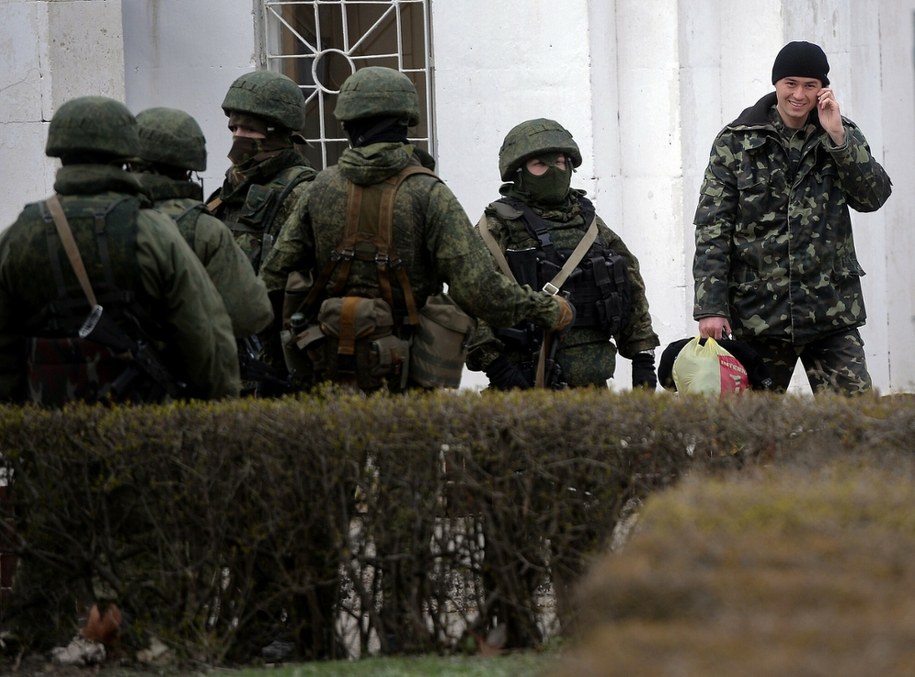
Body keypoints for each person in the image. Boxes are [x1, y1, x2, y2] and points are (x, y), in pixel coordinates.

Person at [258, 66, 573, 657]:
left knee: (323, 507)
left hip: (329, 374)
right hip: (408, 379)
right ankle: (403, 632)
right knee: (403, 509)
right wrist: (546, 309)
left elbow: (274, 277)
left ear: (346, 121)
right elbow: (479, 289)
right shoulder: (427, 192)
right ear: (406, 121)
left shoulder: (318, 189)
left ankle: (309, 635)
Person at [0, 95, 239, 405]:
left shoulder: (17, 236)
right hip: (141, 425)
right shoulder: (154, 232)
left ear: (60, 152)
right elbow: (205, 338)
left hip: (45, 428)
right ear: (127, 153)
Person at [692, 40, 893, 395]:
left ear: (823, 89)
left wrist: (838, 137)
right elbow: (713, 228)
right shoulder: (736, 142)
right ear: (776, 85)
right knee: (747, 434)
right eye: (791, 83)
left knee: (857, 424)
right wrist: (710, 307)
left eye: (810, 85)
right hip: (760, 315)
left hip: (830, 313)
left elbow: (872, 197)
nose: (799, 94)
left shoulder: (840, 134)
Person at [465, 118, 660, 391]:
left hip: (594, 387)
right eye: (540, 165)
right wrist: (498, 369)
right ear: (518, 172)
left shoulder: (589, 224)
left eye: (558, 162)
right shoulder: (496, 227)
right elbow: (472, 296)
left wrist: (642, 358)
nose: (553, 171)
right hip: (525, 380)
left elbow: (630, 285)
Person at [206, 70, 317, 395]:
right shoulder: (226, 191)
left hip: (276, 367)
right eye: (234, 128)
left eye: (248, 129)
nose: (238, 136)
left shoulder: (301, 191)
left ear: (276, 131)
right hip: (228, 358)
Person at [133, 106, 273, 339]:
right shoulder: (204, 229)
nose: (238, 135)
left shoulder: (94, 217)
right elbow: (251, 316)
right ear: (190, 164)